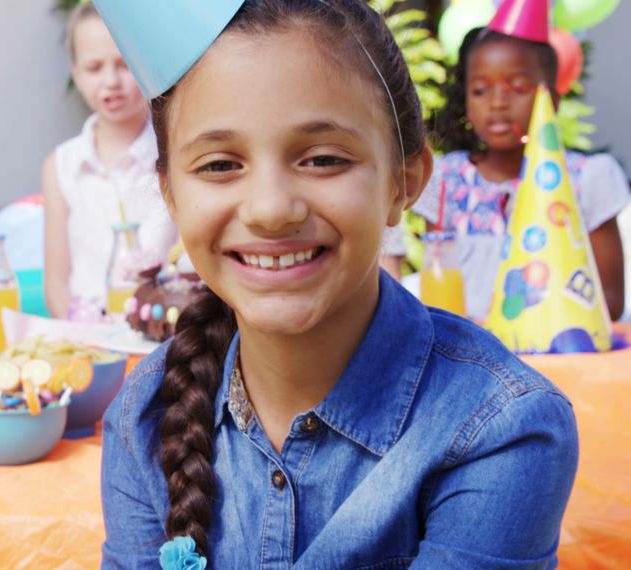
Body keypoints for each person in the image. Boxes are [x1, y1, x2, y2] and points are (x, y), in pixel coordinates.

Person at [95, 0, 578, 566]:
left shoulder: (500, 428)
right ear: (171, 193)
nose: (272, 210)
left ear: (405, 181)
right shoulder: (143, 416)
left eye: (323, 159)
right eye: (220, 165)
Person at [407, 20, 628, 321]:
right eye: (481, 90)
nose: (497, 103)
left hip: (557, 359)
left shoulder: (586, 180)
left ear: (551, 99)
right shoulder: (446, 180)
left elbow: (610, 302)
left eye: (519, 87)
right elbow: (438, 287)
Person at [42, 2, 177, 320]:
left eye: (124, 64)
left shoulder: (174, 154)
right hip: (88, 340)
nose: (111, 81)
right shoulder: (60, 165)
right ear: (75, 72)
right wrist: (80, 336)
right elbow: (57, 281)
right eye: (94, 67)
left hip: (160, 335)